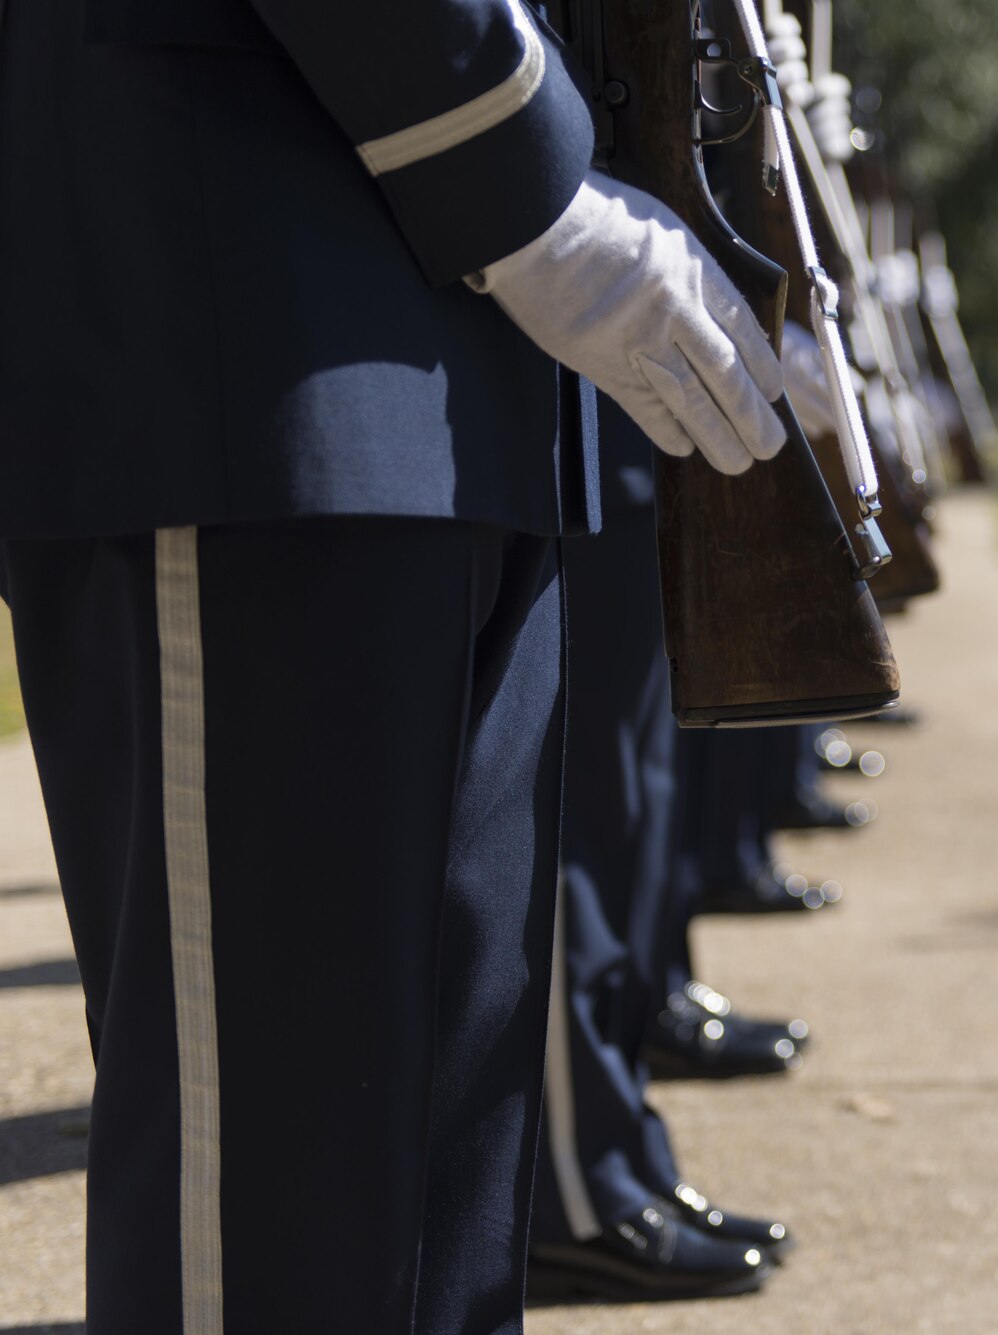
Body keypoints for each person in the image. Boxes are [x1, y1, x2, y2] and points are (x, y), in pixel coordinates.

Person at [0, 0, 787, 1328]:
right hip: (248, 309)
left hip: (457, 360)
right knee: (270, 1205)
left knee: (444, 1183)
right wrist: (524, 179)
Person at [528, 407, 793, 1301]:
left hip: (635, 430)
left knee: (635, 804)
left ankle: (619, 1149)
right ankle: (573, 1183)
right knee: (578, 820)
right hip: (570, 418)